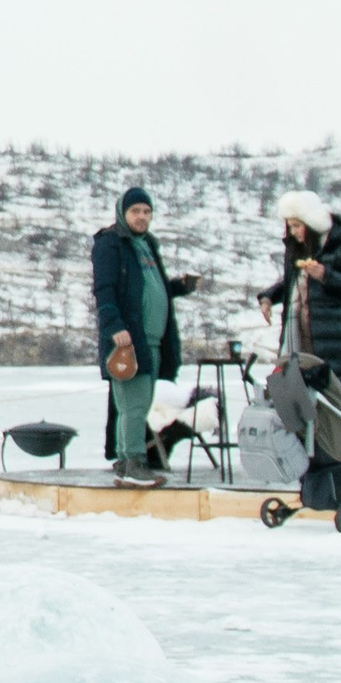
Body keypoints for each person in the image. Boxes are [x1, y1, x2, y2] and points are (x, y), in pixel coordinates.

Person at [260, 190, 341, 515]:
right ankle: (317, 485)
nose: (293, 232)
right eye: (289, 226)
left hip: (334, 344)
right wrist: (268, 296)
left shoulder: (340, 243)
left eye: (297, 225)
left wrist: (326, 275)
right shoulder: (297, 250)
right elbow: (291, 282)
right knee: (302, 415)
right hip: (302, 345)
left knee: (337, 416)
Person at [89, 186, 195, 488]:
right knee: (132, 404)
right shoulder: (111, 244)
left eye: (146, 212)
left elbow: (150, 287)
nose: (142, 217)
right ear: (123, 212)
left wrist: (177, 287)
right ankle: (133, 463)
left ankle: (126, 460)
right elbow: (104, 290)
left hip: (152, 341)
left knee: (140, 403)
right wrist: (115, 327)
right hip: (127, 341)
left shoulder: (147, 245)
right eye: (136, 211)